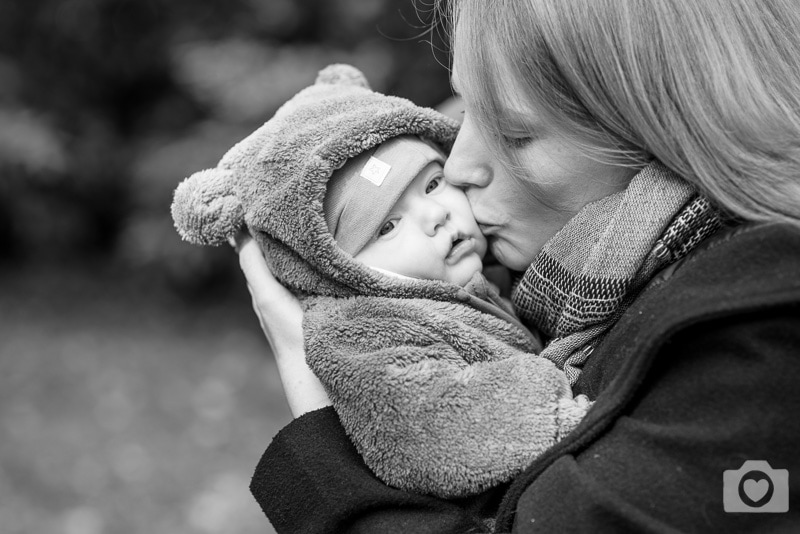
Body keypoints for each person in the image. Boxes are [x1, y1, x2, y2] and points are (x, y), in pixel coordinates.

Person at [241, 0, 800, 532]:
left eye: (514, 133)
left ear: (659, 125)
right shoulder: (585, 286)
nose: (456, 167)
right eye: (465, 109)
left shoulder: (758, 344)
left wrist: (322, 447)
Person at [172, 64, 590, 501]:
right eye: (387, 227)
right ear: (339, 268)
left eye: (433, 183)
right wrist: (562, 411)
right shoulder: (358, 332)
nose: (435, 215)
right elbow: (427, 422)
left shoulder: (481, 275)